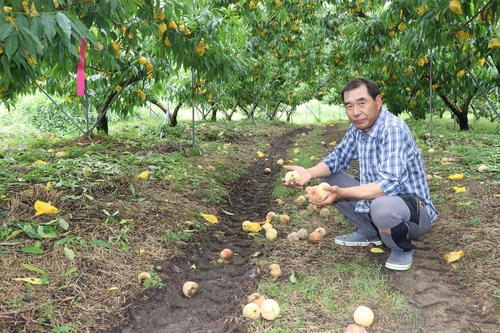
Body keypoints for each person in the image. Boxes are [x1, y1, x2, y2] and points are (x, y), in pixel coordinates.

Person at [283, 78, 437, 271]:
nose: (355, 112)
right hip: (380, 202)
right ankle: (370, 231)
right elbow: (338, 158)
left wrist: (342, 193)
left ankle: (400, 246)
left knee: (382, 205)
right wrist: (309, 173)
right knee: (328, 178)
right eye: (349, 106)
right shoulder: (358, 128)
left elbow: (386, 187)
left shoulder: (393, 129)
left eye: (362, 103)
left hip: (412, 213)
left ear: (378, 102)